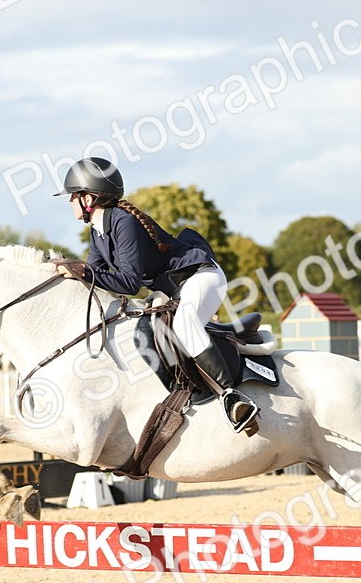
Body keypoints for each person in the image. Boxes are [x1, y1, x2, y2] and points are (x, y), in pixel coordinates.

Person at [54, 157, 259, 434]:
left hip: (200, 277)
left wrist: (84, 272)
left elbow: (129, 283)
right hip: (174, 289)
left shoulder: (123, 222)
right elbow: (98, 278)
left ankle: (231, 396)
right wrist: (71, 273)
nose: (68, 203)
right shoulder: (97, 234)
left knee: (185, 324)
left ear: (88, 198)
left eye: (72, 197)